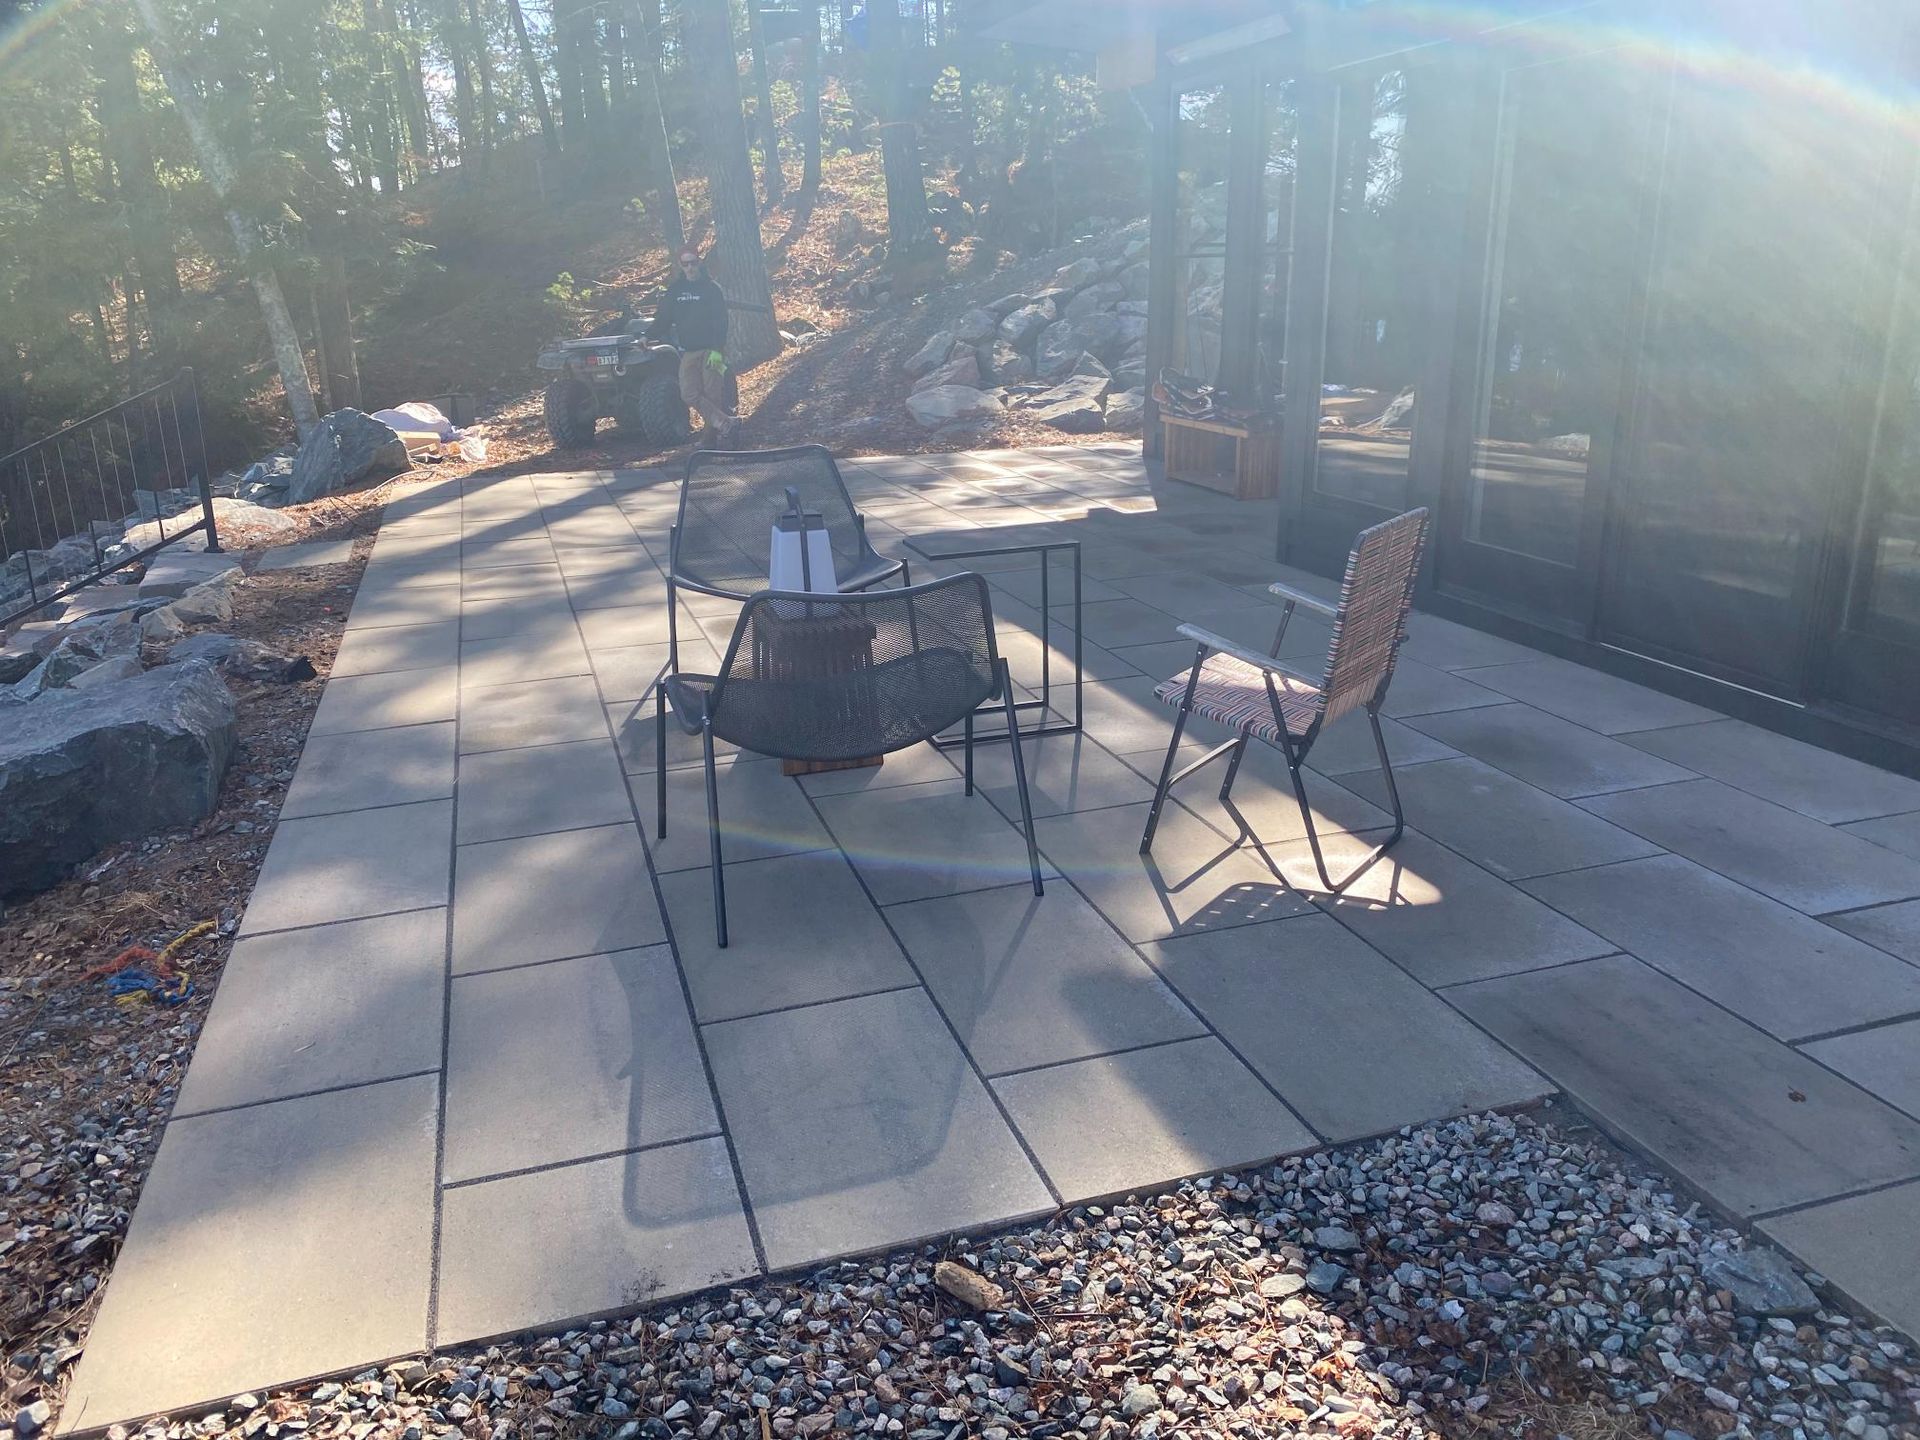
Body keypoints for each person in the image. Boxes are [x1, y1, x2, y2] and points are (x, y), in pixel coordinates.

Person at [649, 246, 737, 444]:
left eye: (693, 263)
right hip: (689, 351)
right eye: (685, 263)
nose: (690, 267)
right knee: (688, 393)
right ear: (681, 265)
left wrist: (717, 349)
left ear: (700, 263)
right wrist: (648, 335)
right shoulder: (675, 291)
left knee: (713, 394)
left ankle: (709, 439)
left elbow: (721, 321)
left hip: (712, 351)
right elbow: (663, 319)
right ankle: (726, 423)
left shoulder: (712, 288)